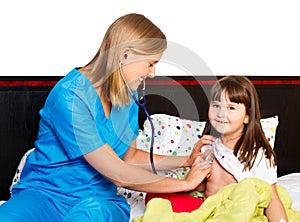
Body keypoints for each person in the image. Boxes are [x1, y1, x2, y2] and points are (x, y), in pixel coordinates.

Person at [0, 13, 211, 222]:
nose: (153, 73)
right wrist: (185, 184)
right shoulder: (71, 96)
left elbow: (128, 158)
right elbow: (117, 172)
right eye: (150, 63)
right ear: (125, 55)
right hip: (45, 194)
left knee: (91, 213)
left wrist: (186, 161)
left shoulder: (127, 94)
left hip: (97, 200)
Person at [193, 75, 288, 221]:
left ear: (247, 117)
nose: (221, 113)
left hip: (238, 215)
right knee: (160, 204)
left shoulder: (258, 155)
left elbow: (272, 198)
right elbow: (200, 188)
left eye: (231, 108)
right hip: (211, 212)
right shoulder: (209, 147)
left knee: (248, 190)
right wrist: (196, 164)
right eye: (216, 106)